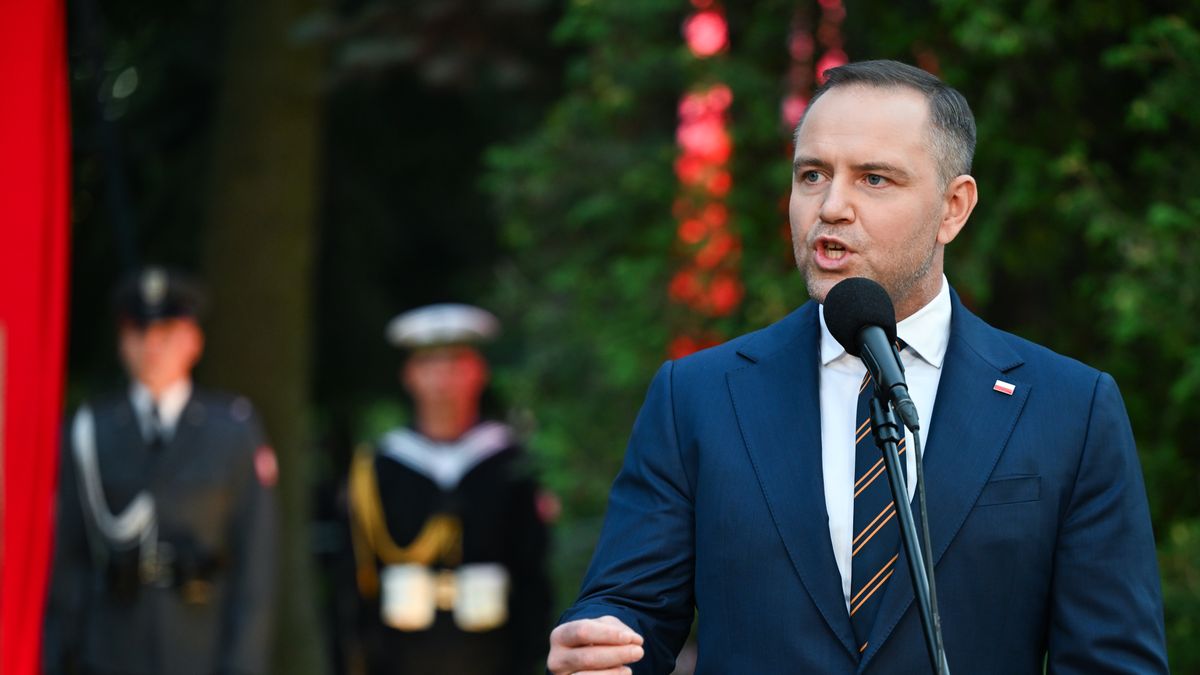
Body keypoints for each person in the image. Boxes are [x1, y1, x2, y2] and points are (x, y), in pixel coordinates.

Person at [547, 60, 1168, 674]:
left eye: (874, 179)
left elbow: (1113, 660)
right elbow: (628, 613)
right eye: (813, 174)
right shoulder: (698, 397)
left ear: (954, 207)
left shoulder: (1069, 408)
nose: (832, 206)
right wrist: (601, 649)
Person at [43, 266, 278, 675]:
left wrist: (243, 664)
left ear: (194, 342)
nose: (152, 346)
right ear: (122, 343)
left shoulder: (233, 432)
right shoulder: (88, 430)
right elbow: (69, 558)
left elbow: (255, 567)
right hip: (109, 651)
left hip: (202, 650)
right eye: (138, 332)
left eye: (166, 332)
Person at [348, 303, 551, 675]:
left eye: (456, 365)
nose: (442, 382)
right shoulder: (381, 465)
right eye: (430, 367)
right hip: (401, 655)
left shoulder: (508, 462)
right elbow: (358, 575)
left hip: (494, 653)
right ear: (409, 375)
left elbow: (532, 571)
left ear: (479, 372)